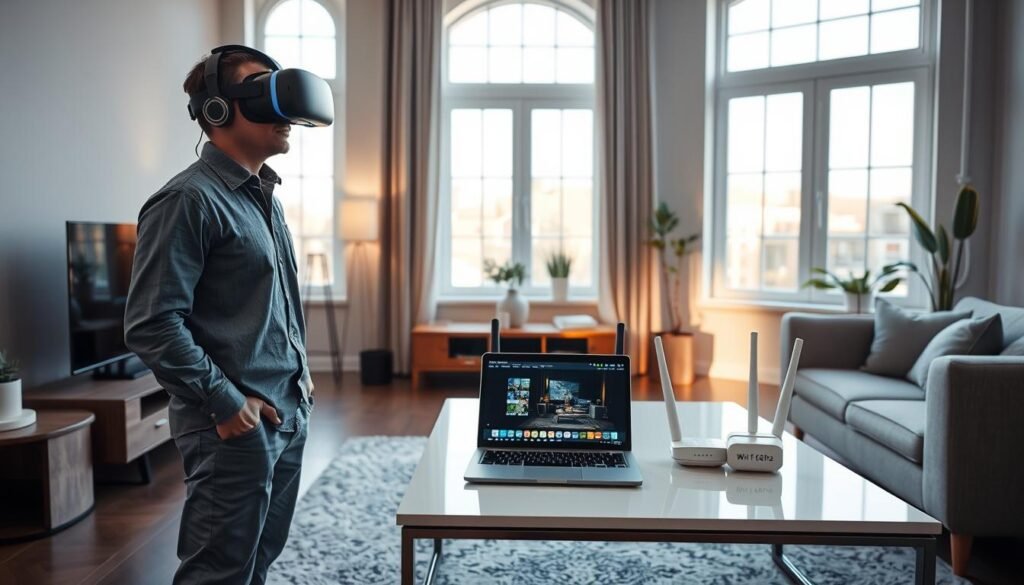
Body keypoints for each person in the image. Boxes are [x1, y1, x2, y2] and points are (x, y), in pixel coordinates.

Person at [124, 46, 314, 585]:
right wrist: (228, 403)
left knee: (257, 562)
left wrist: (302, 387)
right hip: (233, 426)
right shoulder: (188, 200)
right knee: (218, 572)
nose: (282, 111)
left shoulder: (265, 199)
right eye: (261, 92)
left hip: (287, 412)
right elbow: (152, 323)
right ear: (217, 112)